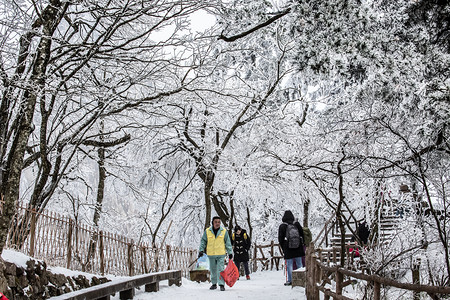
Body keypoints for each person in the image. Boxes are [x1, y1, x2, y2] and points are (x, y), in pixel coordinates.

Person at [198, 216, 233, 291]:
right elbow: (203, 241)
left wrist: (230, 252)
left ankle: (221, 284)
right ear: (212, 223)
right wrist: (201, 250)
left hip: (221, 254)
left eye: (219, 222)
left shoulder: (224, 231)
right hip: (211, 254)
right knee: (213, 270)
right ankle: (214, 284)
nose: (217, 223)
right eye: (216, 222)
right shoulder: (207, 231)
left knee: (221, 269)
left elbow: (228, 243)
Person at [278, 210, 305, 286]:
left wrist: (283, 248)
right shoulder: (296, 224)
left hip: (288, 248)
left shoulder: (282, 226)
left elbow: (280, 238)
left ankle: (290, 280)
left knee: (289, 265)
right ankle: (301, 279)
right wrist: (301, 244)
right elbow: (302, 234)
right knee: (299, 263)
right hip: (298, 247)